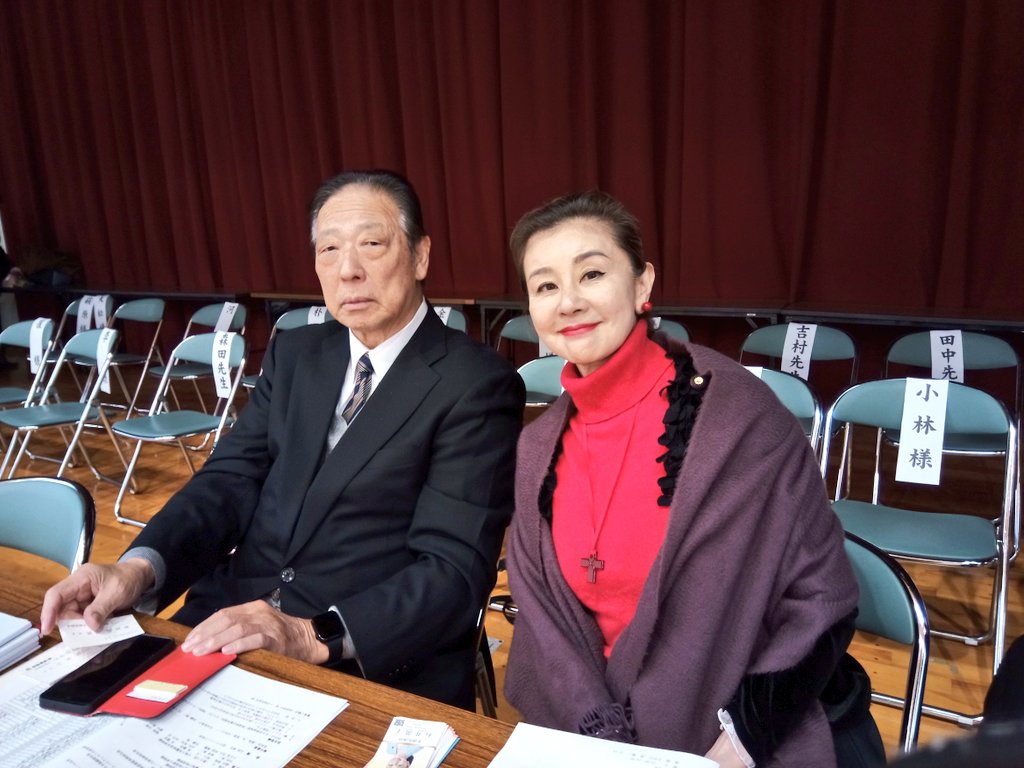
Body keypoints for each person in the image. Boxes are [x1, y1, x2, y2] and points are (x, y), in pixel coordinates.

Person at [41, 169, 525, 709]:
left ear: (420, 256)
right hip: (226, 621)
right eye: (329, 249)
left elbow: (452, 569)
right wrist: (137, 568)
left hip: (361, 658)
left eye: (371, 244)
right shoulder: (297, 354)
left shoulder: (474, 383)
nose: (348, 270)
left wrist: (310, 634)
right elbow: (229, 481)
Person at [503, 191, 871, 766]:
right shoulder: (536, 449)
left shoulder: (739, 419)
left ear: (642, 284)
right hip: (586, 737)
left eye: (592, 274)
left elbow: (822, 599)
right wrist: (601, 740)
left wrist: (736, 746)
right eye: (545, 285)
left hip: (727, 740)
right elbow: (544, 623)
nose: (569, 301)